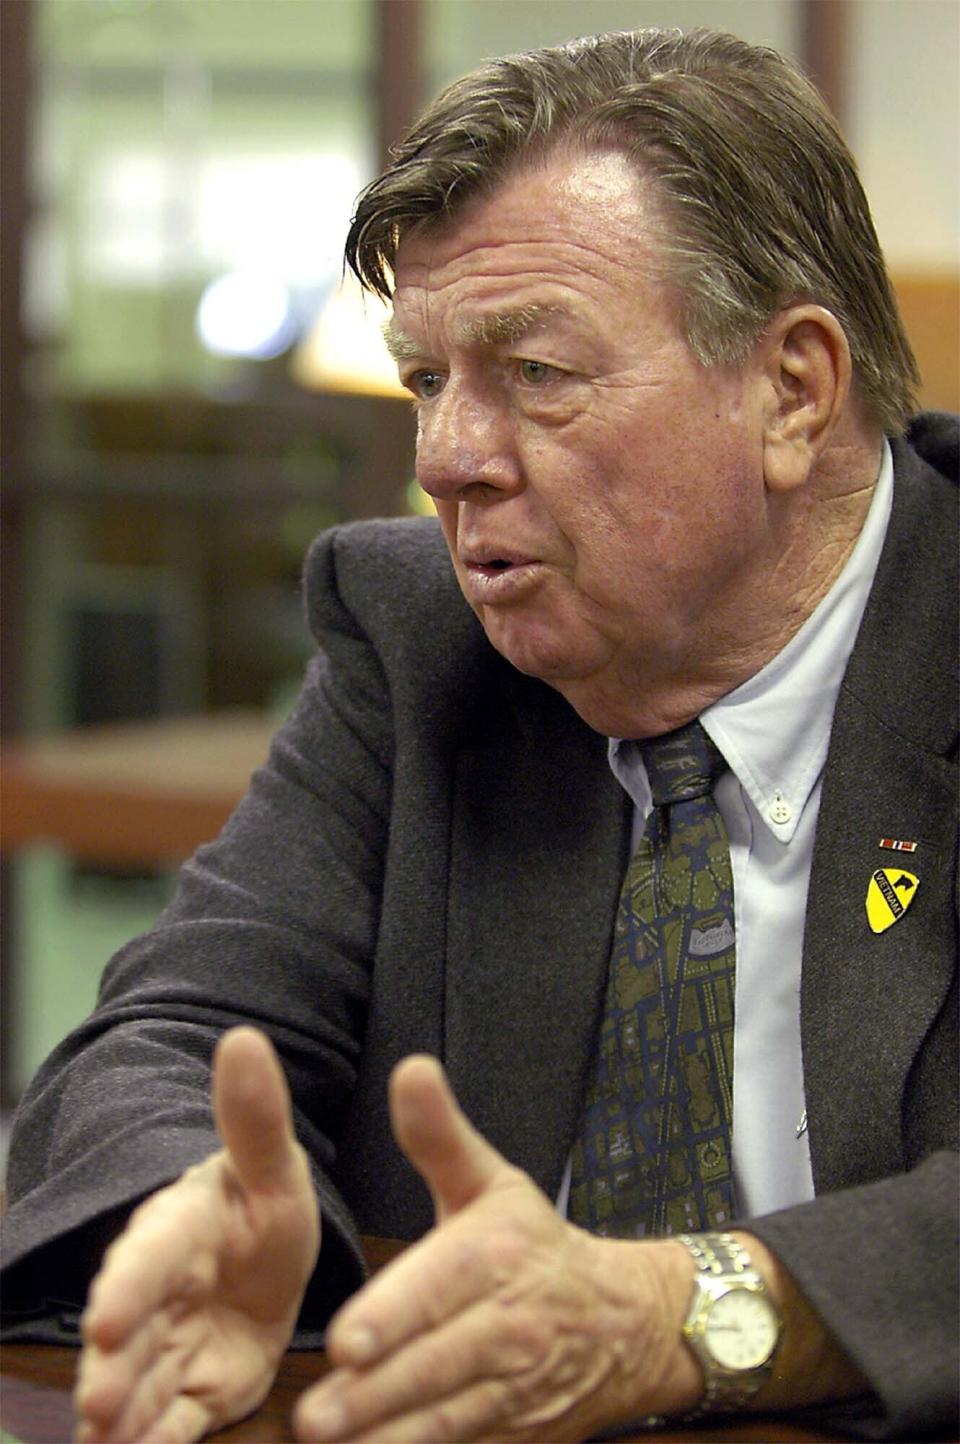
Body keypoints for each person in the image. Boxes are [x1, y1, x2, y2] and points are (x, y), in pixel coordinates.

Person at [2, 25, 956, 1444]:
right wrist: (200, 1202)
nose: (447, 458)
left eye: (537, 373)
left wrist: (685, 1313)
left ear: (793, 390)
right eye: (429, 381)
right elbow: (172, 1033)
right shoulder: (419, 639)